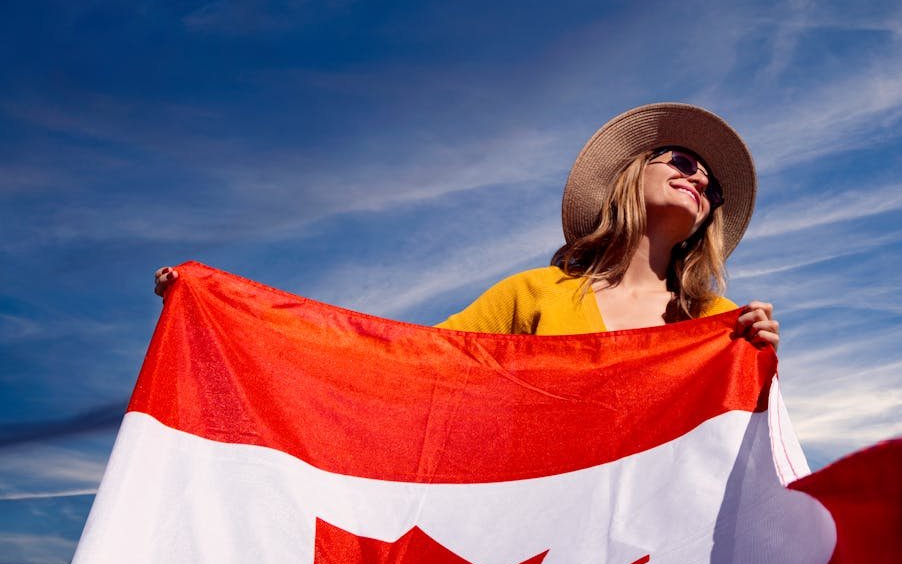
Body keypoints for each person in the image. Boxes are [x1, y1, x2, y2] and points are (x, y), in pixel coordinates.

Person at [156, 103, 779, 348]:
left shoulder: (716, 320)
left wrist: (758, 364)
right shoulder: (534, 296)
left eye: (712, 187)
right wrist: (228, 310)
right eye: (685, 163)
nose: (700, 181)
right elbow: (410, 358)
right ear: (630, 175)